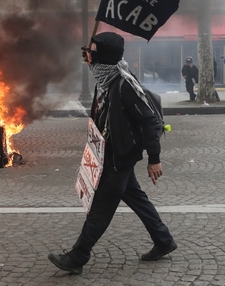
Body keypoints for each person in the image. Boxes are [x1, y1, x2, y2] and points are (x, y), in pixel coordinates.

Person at [48, 32, 176, 275]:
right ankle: (164, 240)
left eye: (92, 52)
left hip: (119, 157)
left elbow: (150, 120)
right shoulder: (106, 79)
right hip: (109, 152)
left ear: (103, 57)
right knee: (136, 197)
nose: (88, 55)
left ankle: (78, 256)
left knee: (102, 207)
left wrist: (154, 159)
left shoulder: (123, 84)